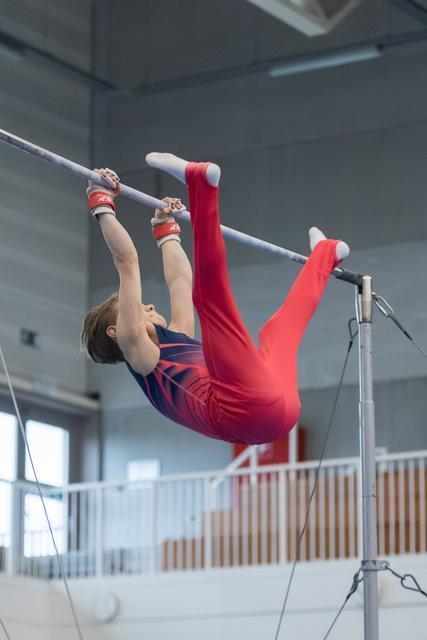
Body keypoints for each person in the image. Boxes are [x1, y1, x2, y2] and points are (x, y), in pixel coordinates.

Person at [81, 155, 349, 444]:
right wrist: (101, 201)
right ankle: (201, 184)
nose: (148, 306)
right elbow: (127, 262)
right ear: (116, 331)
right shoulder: (141, 356)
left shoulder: (176, 339)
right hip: (240, 411)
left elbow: (180, 281)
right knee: (209, 303)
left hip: (279, 410)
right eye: (135, 308)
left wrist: (165, 229)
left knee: (277, 333)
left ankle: (326, 254)